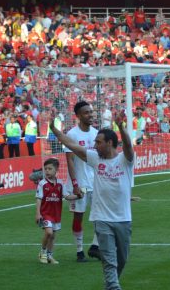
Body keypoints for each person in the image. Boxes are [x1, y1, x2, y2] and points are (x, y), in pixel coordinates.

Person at [49, 111, 134, 290]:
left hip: (123, 219)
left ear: (109, 143)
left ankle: (110, 285)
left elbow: (127, 145)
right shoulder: (95, 158)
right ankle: (113, 286)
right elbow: (72, 145)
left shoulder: (125, 160)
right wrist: (54, 130)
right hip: (101, 219)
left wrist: (121, 127)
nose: (94, 145)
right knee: (109, 259)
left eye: (98, 142)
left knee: (122, 259)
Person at [65, 101, 100, 262]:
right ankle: (79, 251)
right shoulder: (72, 134)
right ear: (78, 116)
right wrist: (75, 184)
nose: (90, 115)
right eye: (86, 112)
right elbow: (70, 160)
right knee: (78, 217)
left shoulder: (96, 134)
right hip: (79, 183)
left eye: (91, 112)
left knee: (100, 216)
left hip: (95, 183)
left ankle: (95, 246)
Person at [36, 157, 80, 264]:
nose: (47, 171)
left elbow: (67, 196)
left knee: (53, 236)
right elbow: (38, 198)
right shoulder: (42, 183)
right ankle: (42, 252)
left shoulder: (60, 183)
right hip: (45, 213)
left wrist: (78, 196)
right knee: (49, 233)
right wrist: (38, 213)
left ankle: (50, 256)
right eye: (45, 169)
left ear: (56, 170)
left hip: (56, 214)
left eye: (50, 169)